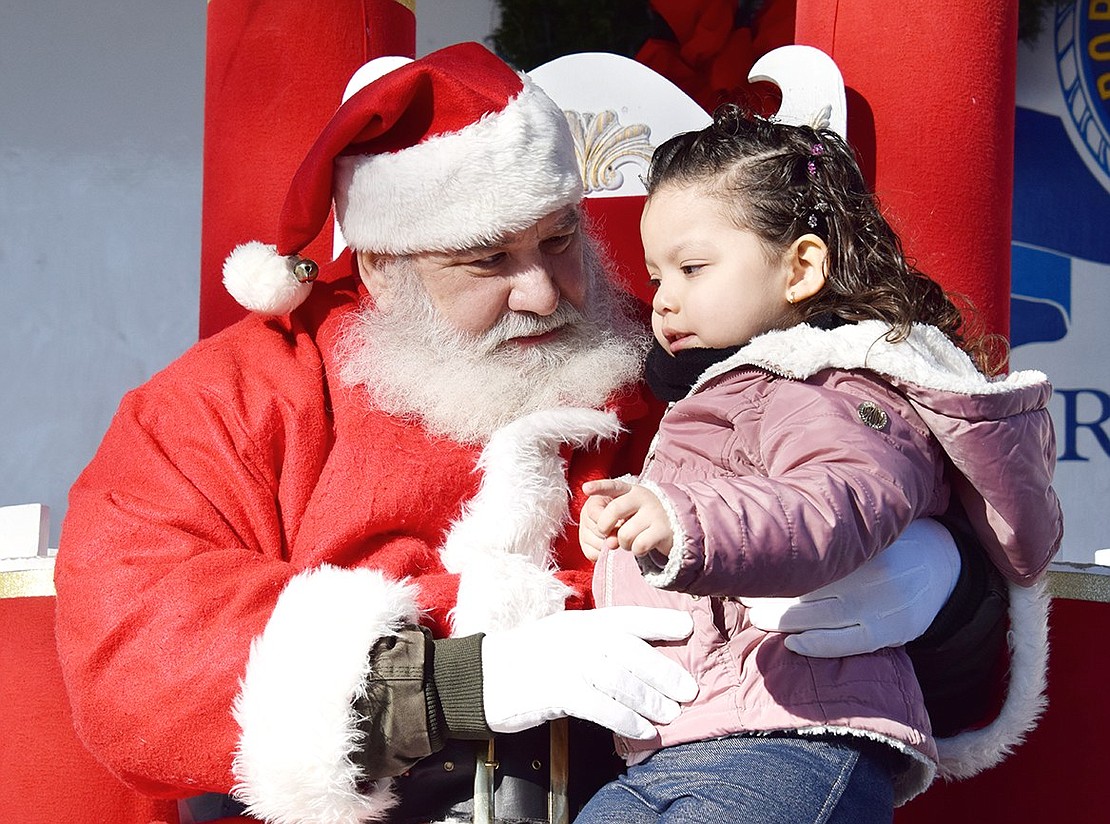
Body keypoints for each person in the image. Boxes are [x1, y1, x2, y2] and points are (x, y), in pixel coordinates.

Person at [53, 43, 1001, 824]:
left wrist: (945, 592)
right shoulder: (234, 395)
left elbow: (869, 498)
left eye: (559, 240)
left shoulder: (689, 368)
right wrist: (450, 682)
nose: (548, 293)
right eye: (489, 261)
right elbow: (132, 648)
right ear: (382, 264)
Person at [575, 106, 1062, 823]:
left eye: (692, 267)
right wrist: (634, 512)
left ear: (801, 267)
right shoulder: (723, 391)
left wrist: (682, 521)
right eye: (656, 275)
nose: (664, 299)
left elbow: (837, 500)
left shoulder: (826, 383)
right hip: (687, 741)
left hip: (790, 739)